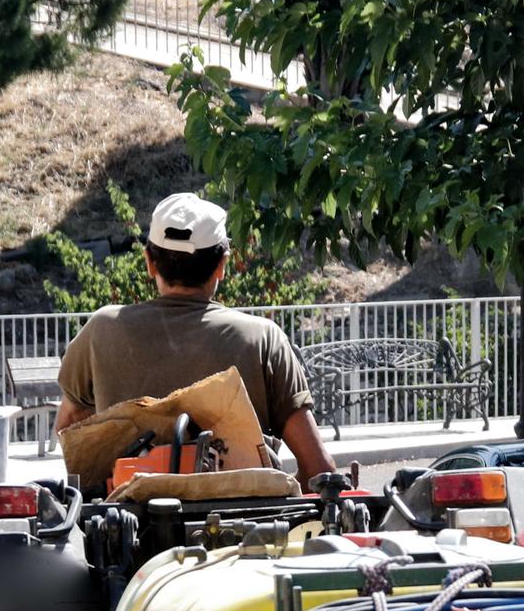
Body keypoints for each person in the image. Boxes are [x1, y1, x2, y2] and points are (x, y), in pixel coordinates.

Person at [54, 193, 336, 485]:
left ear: (149, 262)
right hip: (244, 524)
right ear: (222, 265)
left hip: (130, 523)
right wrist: (277, 488)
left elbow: (71, 432)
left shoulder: (102, 329)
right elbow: (319, 468)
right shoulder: (264, 338)